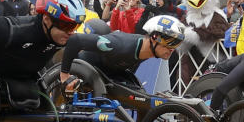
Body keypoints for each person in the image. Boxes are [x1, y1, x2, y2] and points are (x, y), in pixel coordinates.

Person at [58, 14, 188, 88]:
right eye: (168, 44)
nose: (172, 49)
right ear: (154, 38)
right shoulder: (118, 45)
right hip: (88, 67)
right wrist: (64, 75)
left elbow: (129, 64)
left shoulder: (148, 50)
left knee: (139, 94)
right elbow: (75, 40)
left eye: (175, 45)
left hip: (111, 71)